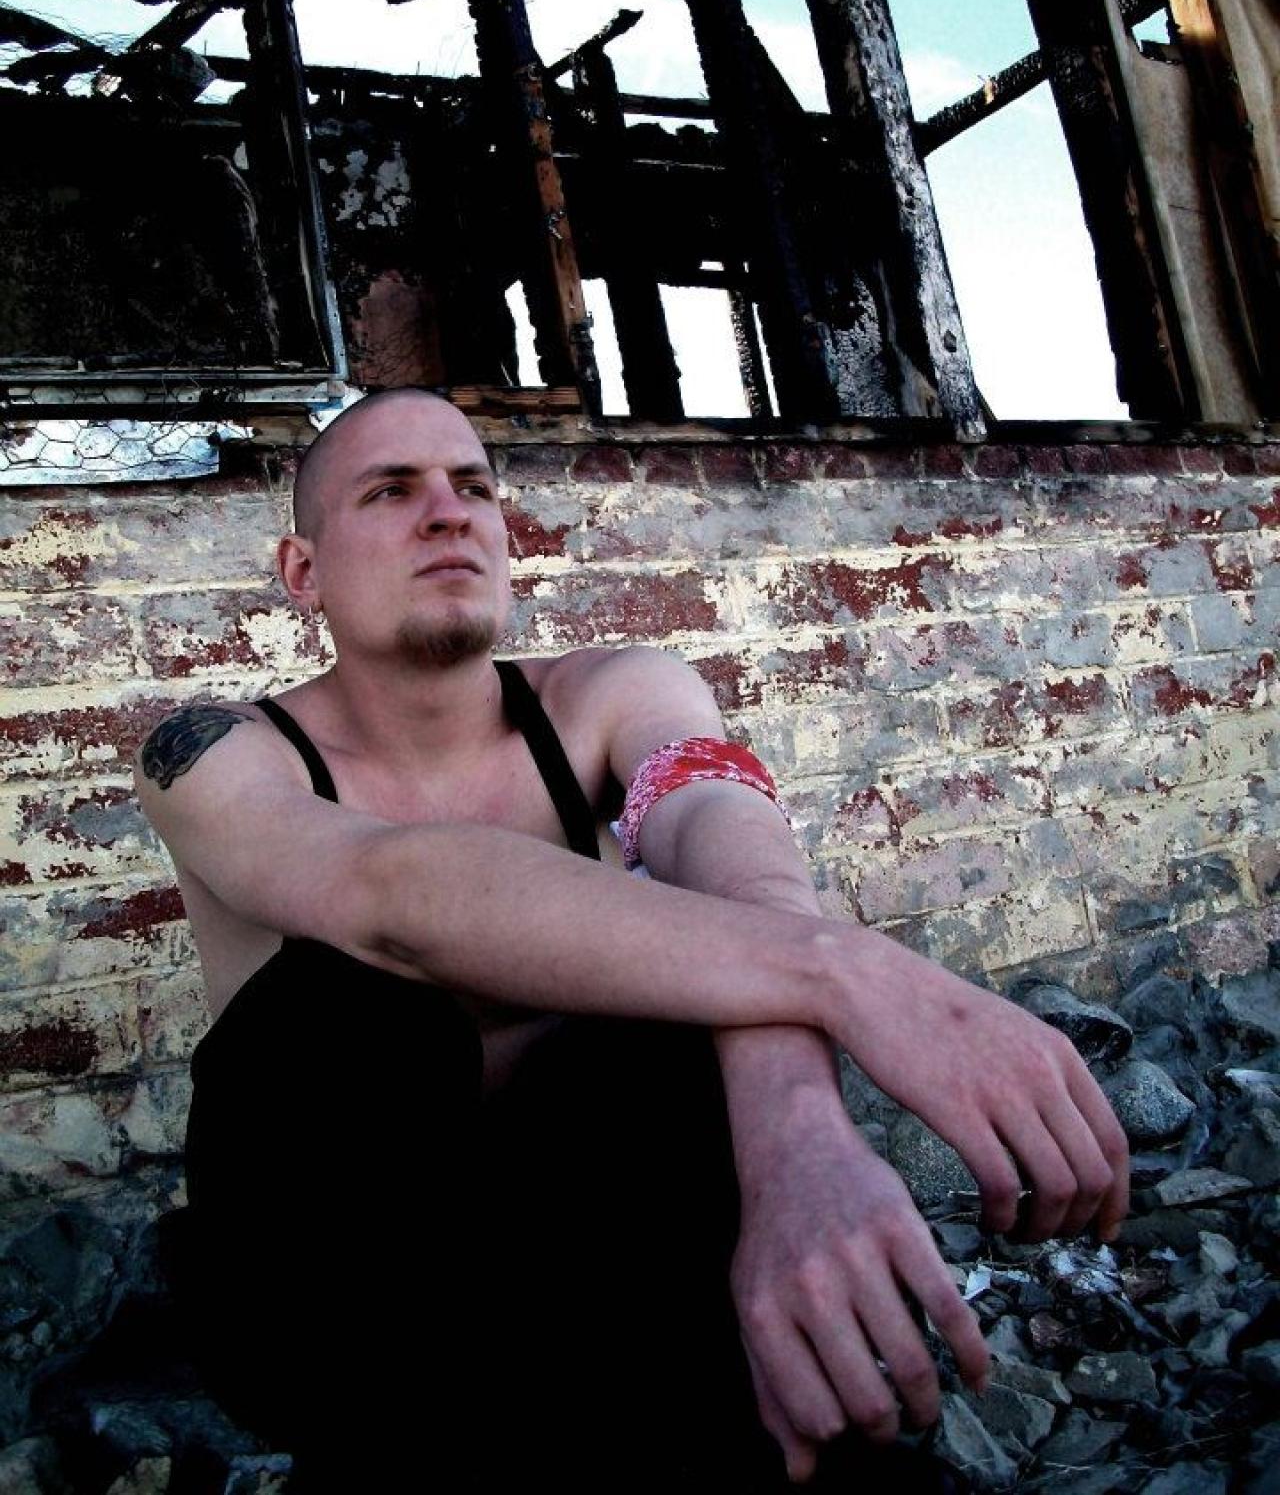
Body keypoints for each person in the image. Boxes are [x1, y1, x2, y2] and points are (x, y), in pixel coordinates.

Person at [136, 388, 1128, 1492]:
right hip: (339, 1292)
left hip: (601, 1231)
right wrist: (849, 969)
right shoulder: (213, 752)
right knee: (350, 1010)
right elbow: (390, 895)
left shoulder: (612, 693)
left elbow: (718, 827)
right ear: (303, 570)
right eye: (390, 490)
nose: (448, 512)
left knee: (671, 997)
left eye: (473, 487)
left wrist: (796, 1132)